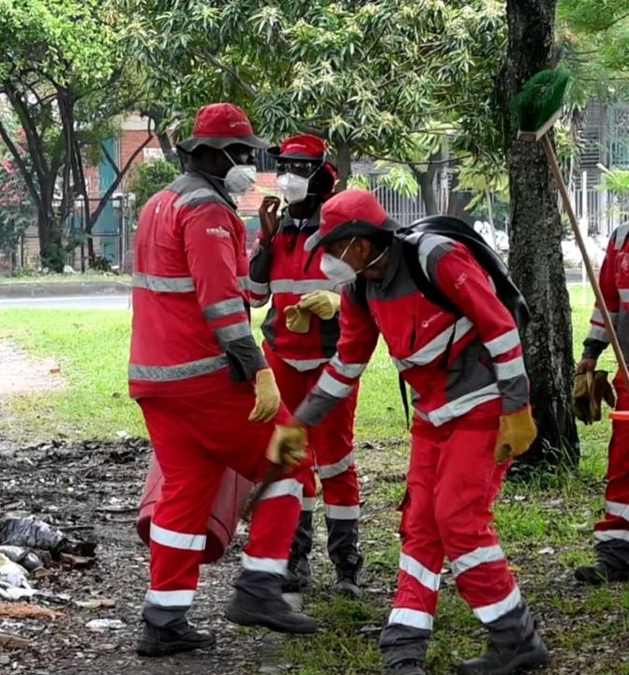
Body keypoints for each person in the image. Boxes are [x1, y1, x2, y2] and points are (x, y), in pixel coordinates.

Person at [273, 189, 547, 675]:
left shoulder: (436, 258)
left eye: (332, 250)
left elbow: (500, 325)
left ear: (358, 243)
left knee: (458, 520)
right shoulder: (361, 287)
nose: (329, 263)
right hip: (432, 414)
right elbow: (348, 362)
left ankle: (516, 639)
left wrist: (516, 407)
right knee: (419, 526)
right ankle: (404, 649)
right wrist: (302, 422)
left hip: (482, 404)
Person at [129, 102, 319, 658]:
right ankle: (259, 587)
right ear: (211, 155)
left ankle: (164, 620)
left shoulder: (159, 203)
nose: (247, 164)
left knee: (185, 494)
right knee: (290, 459)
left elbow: (215, 288)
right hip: (207, 377)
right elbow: (221, 306)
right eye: (240, 154)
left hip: (156, 381)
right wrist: (260, 373)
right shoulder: (209, 211)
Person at [245, 134, 363, 598]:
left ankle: (346, 565)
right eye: (284, 167)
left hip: (332, 361)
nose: (288, 177)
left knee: (336, 461)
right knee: (292, 460)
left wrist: (338, 301)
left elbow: (367, 294)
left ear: (321, 176)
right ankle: (295, 560)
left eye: (299, 168)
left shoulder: (340, 229)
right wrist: (266, 243)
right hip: (282, 358)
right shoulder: (276, 230)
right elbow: (254, 297)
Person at [574, 222, 629, 585]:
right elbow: (607, 301)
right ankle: (617, 555)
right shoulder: (622, 238)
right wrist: (592, 350)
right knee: (624, 463)